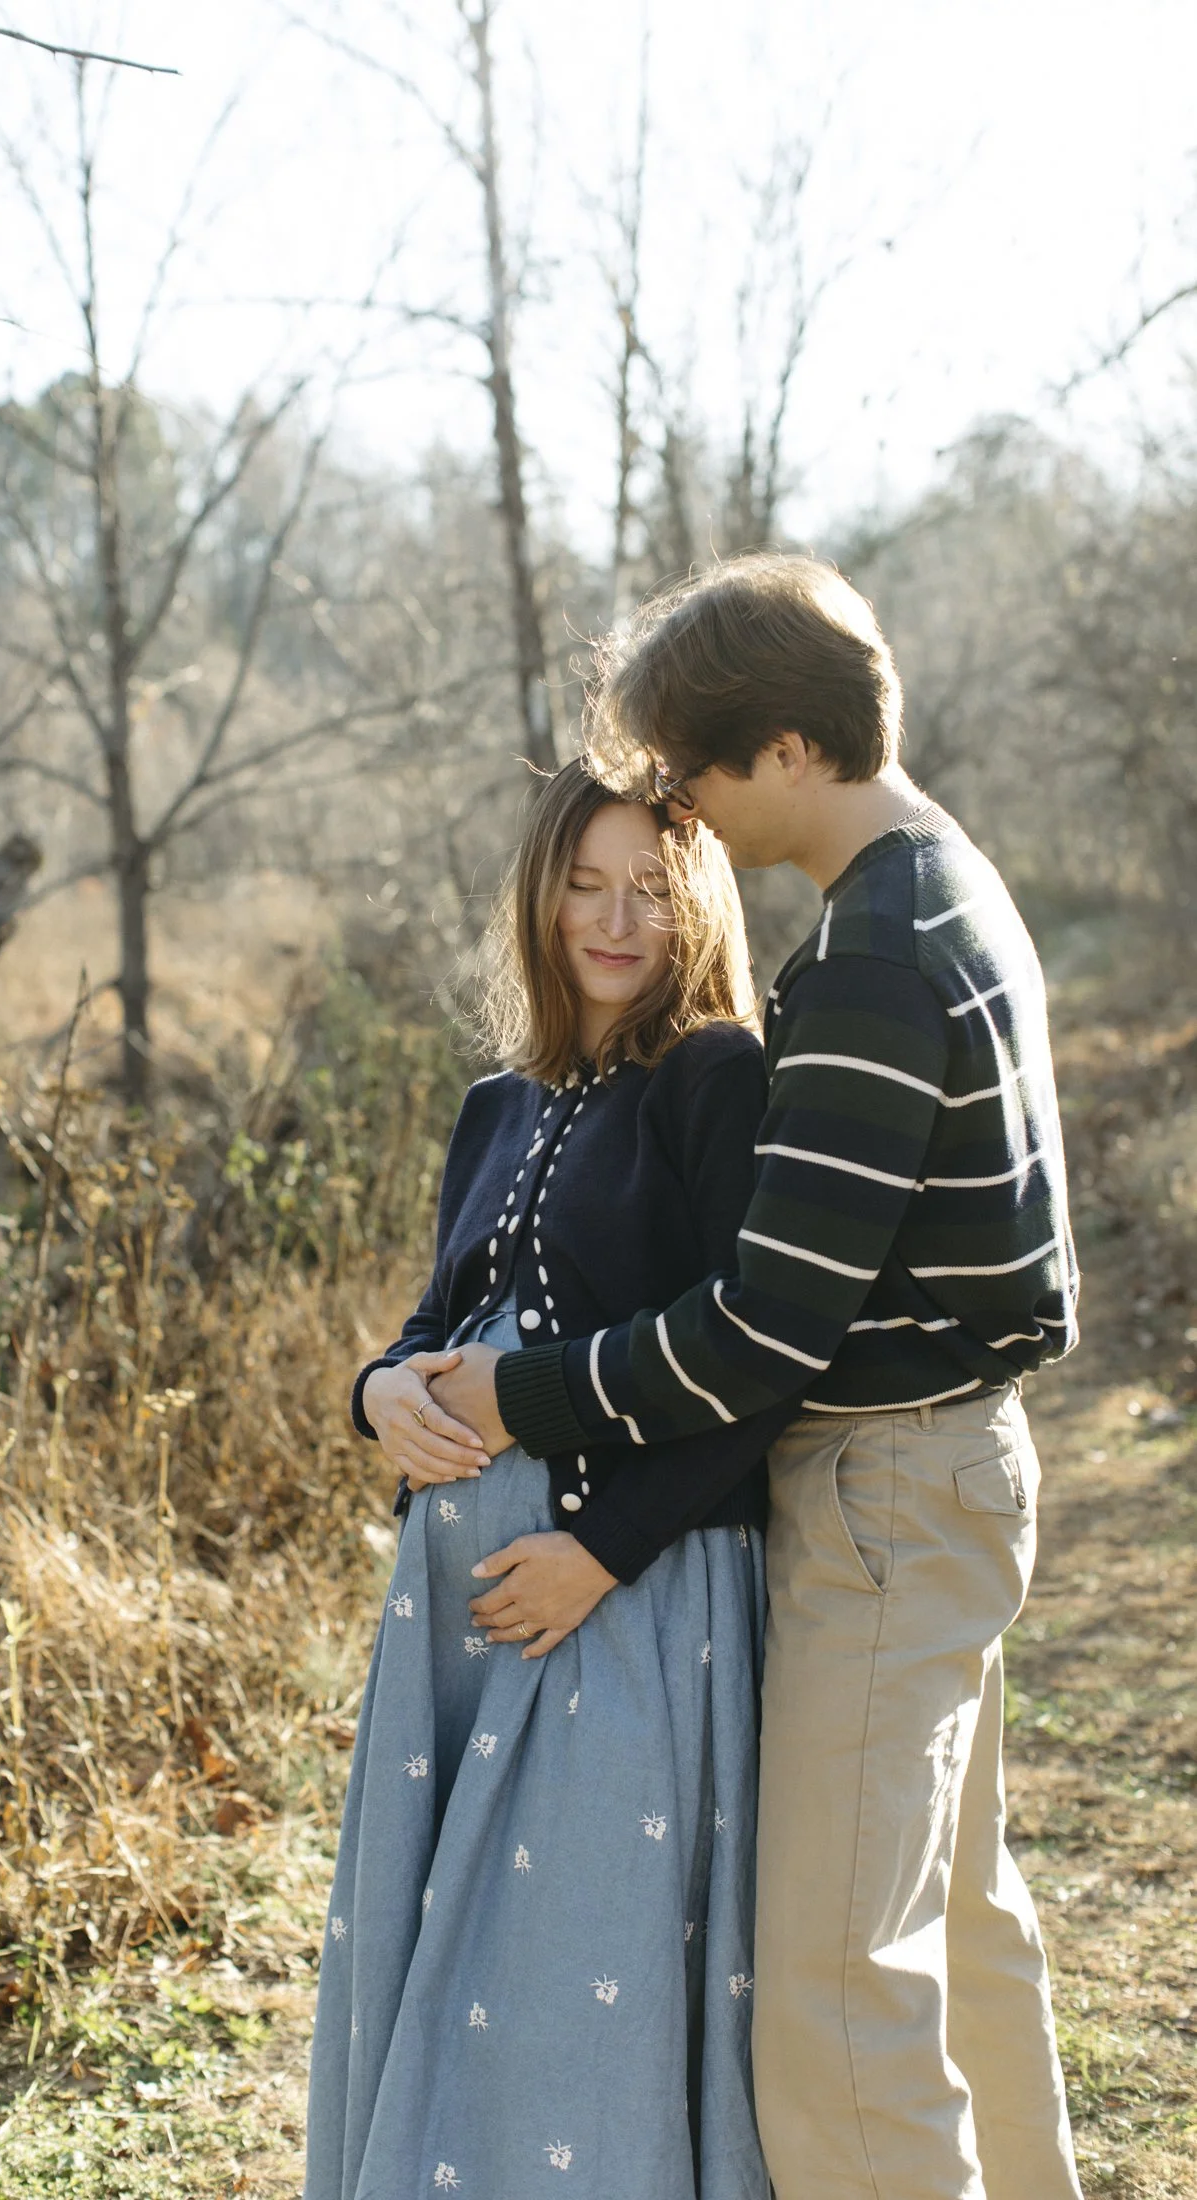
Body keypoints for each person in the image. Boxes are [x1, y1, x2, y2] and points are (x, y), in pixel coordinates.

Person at [433, 555, 1084, 2200]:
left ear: (787, 747)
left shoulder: (870, 960)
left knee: (835, 2007)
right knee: (955, 1932)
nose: (686, 812)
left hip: (886, 1490)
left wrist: (520, 1398)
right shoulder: (948, 883)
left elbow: (760, 1331)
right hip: (952, 1465)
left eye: (696, 772)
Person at [305, 761, 789, 2200]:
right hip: (451, 1621)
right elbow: (434, 1322)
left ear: (697, 902)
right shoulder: (494, 1105)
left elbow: (756, 1363)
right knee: (449, 1970)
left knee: (576, 1975)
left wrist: (602, 1551)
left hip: (628, 1598)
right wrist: (378, 1391)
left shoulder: (714, 1078)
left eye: (651, 887)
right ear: (540, 894)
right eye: (586, 884)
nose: (617, 920)